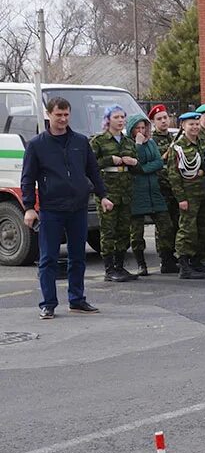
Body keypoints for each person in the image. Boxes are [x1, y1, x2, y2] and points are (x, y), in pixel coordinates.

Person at [20, 96, 109, 318]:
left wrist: (103, 195)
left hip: (77, 207)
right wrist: (29, 207)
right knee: (48, 258)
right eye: (58, 115)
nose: (62, 119)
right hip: (51, 209)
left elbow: (93, 171)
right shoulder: (36, 145)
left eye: (66, 115)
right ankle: (48, 303)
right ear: (48, 115)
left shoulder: (80, 142)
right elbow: (27, 179)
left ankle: (77, 300)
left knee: (77, 256)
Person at [90, 104, 140, 282]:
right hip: (108, 192)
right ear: (108, 120)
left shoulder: (127, 142)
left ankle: (120, 266)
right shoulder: (99, 141)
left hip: (125, 192)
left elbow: (137, 168)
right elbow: (90, 165)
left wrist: (133, 162)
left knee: (123, 231)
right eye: (116, 117)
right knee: (108, 231)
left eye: (122, 117)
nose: (120, 121)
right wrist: (110, 159)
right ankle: (109, 268)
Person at [166, 112, 205, 279]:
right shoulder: (178, 147)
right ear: (183, 126)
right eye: (190, 124)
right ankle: (184, 265)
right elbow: (173, 175)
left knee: (201, 228)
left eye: (196, 124)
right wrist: (181, 198)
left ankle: (196, 261)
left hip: (203, 193)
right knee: (187, 229)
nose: (194, 127)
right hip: (188, 195)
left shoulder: (203, 144)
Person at [127, 114, 169, 277]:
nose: (141, 131)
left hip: (154, 190)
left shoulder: (151, 143)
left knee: (166, 226)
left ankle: (166, 259)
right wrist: (137, 145)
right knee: (137, 233)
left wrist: (143, 168)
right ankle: (140, 264)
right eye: (138, 128)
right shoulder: (130, 144)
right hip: (137, 191)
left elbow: (158, 162)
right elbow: (132, 164)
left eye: (143, 127)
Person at [147, 105, 179, 273]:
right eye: (159, 119)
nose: (164, 121)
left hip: (176, 187)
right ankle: (165, 258)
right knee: (164, 226)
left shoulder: (175, 138)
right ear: (153, 122)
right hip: (161, 188)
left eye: (165, 117)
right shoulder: (151, 141)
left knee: (177, 223)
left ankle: (175, 255)